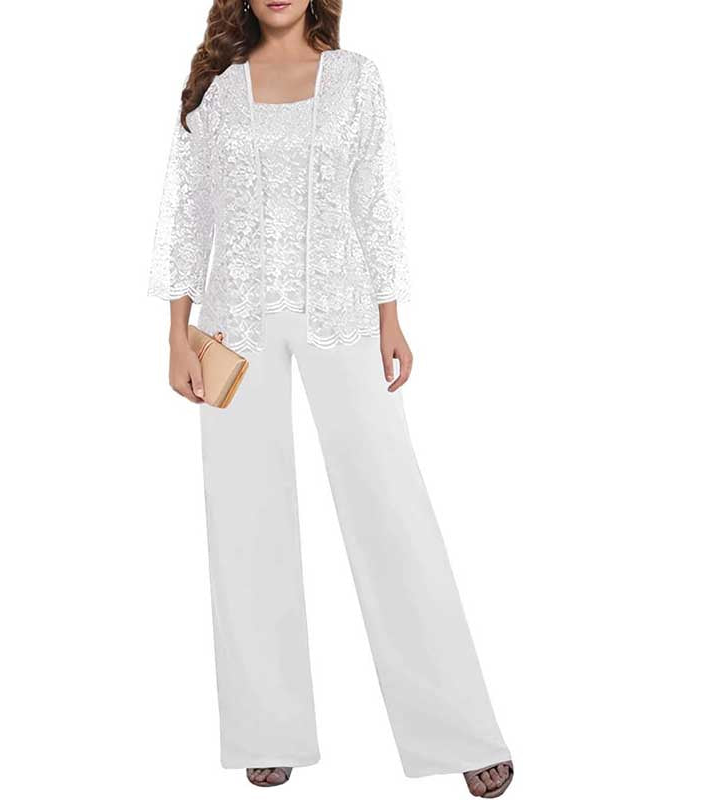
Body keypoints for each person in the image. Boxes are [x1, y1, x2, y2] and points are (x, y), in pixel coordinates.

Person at [148, 1, 513, 795]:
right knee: (244, 517)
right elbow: (187, 212)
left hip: (342, 311)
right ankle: (266, 728)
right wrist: (177, 332)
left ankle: (459, 728)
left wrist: (391, 314)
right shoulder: (218, 89)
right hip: (236, 322)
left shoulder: (356, 80)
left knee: (391, 504)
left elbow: (375, 200)